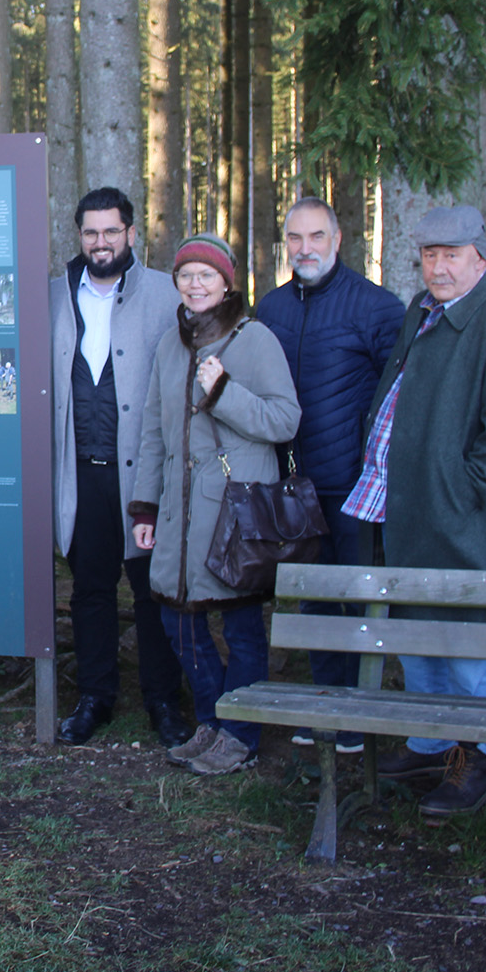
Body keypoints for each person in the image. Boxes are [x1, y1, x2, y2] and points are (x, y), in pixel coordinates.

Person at [341, 205, 486, 820]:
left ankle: (474, 760)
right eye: (429, 255)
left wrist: (463, 491)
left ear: (481, 257)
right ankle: (431, 743)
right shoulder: (422, 311)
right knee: (415, 628)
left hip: (457, 514)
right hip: (403, 504)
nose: (439, 267)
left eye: (452, 255)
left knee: (463, 635)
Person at [129, 233, 302, 776]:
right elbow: (154, 432)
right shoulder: (169, 343)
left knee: (242, 623)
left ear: (228, 282)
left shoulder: (254, 340)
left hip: (234, 511)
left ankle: (241, 735)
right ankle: (211, 719)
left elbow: (284, 420)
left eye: (207, 275)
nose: (195, 283)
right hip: (179, 514)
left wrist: (225, 392)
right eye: (186, 274)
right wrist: (144, 508)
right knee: (178, 618)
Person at [254, 198, 404, 751]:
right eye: (295, 238)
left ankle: (360, 712)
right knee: (314, 596)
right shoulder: (271, 308)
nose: (305, 248)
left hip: (355, 486)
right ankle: (327, 701)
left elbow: (400, 395)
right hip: (294, 487)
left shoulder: (376, 308)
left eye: (316, 236)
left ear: (337, 240)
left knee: (359, 596)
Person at [48, 187, 192, 748]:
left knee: (153, 587)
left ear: (131, 233)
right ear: (78, 235)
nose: (100, 242)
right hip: (80, 471)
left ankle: (163, 699)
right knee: (90, 588)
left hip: (144, 471)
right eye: (90, 232)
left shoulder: (163, 294)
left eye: (111, 231)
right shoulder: (54, 295)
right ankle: (95, 696)